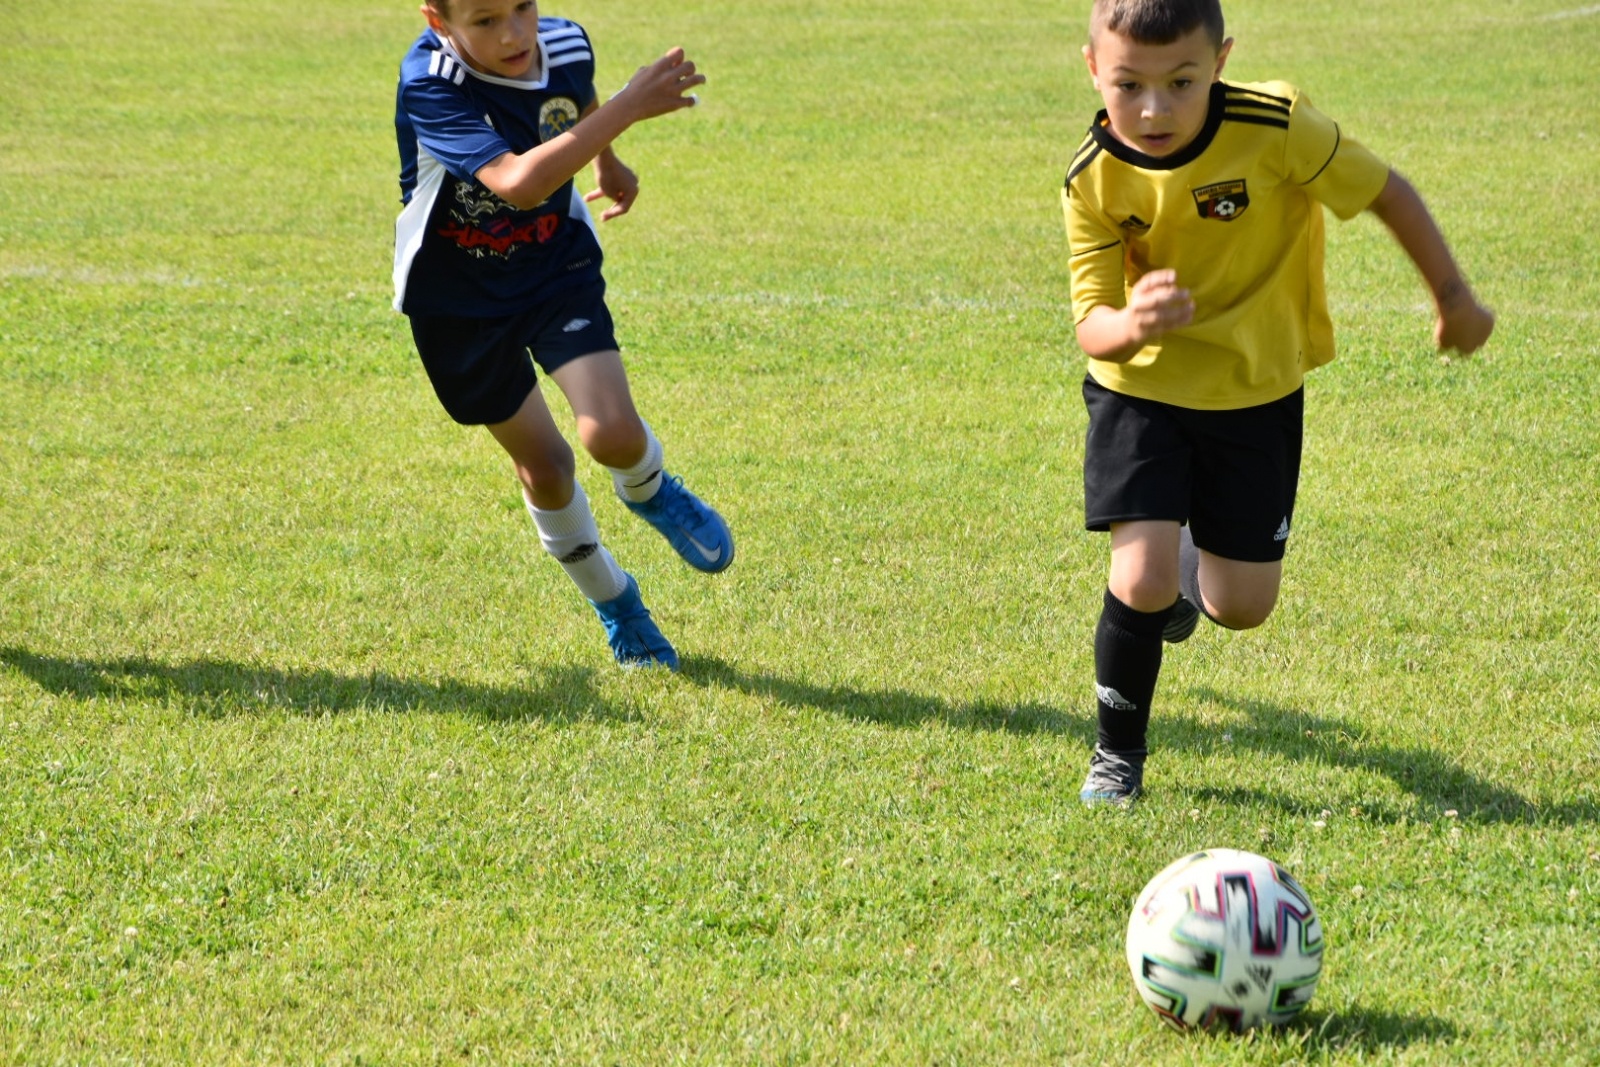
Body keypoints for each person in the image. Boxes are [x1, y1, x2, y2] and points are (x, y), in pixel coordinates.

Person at [1062, 0, 1494, 804]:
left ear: (1220, 62)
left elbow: (1385, 191)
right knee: (1139, 577)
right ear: (1093, 69)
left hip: (1257, 392)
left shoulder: (1277, 127)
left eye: (1181, 82)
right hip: (1141, 387)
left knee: (1241, 605)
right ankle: (1117, 756)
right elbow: (1092, 324)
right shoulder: (1093, 175)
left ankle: (1180, 573)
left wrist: (1454, 297)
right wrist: (1133, 322)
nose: (1154, 110)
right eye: (1129, 85)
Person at [392, 0, 731, 670]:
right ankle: (617, 603)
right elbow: (517, 184)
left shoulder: (567, 44)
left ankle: (649, 488)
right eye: (485, 20)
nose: (514, 33)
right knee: (547, 469)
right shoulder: (431, 82)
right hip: (457, 303)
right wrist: (629, 107)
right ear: (439, 22)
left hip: (554, 266)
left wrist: (607, 162)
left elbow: (574, 100)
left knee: (613, 434)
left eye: (523, 6)